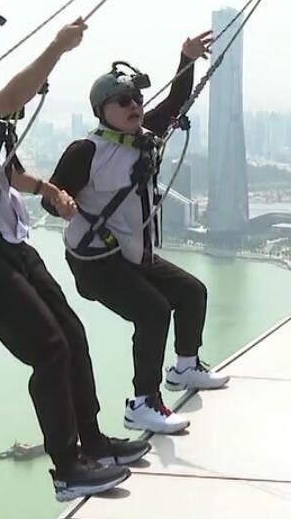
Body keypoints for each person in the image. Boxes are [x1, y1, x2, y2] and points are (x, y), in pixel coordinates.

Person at [0, 14, 151, 502]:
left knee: (72, 336)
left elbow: (6, 173)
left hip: (10, 246)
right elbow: (11, 98)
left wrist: (47, 190)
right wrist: (57, 47)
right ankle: (67, 468)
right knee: (49, 350)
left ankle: (94, 444)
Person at [44, 30, 229, 435]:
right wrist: (60, 203)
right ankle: (143, 403)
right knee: (152, 311)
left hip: (132, 255)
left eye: (137, 100)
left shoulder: (144, 138)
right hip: (96, 263)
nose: (135, 107)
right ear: (101, 110)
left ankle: (184, 367)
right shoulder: (86, 151)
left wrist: (186, 58)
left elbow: (176, 100)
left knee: (191, 292)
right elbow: (52, 195)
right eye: (123, 102)